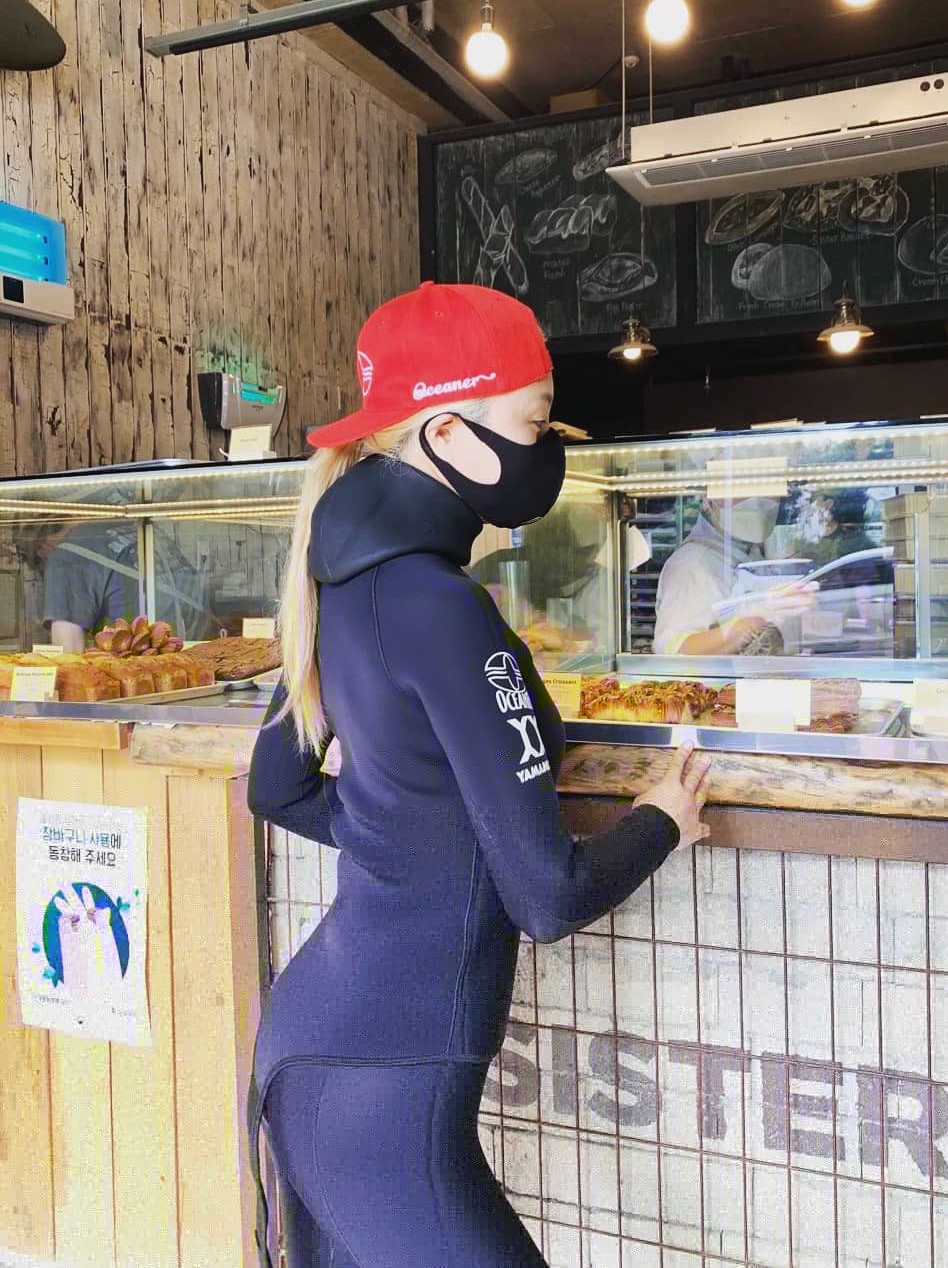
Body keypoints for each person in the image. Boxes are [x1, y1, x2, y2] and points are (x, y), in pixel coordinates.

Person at [244, 281, 713, 1268]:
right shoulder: (443, 608)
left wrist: (415, 836)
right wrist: (663, 818)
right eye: (535, 422)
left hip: (318, 1048)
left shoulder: (338, 582)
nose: (547, 446)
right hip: (382, 1099)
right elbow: (549, 894)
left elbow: (278, 787)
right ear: (449, 434)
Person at [653, 495, 813, 656]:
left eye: (768, 492)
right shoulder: (693, 564)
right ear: (707, 500)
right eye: (741, 492)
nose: (757, 503)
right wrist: (756, 619)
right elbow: (676, 649)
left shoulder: (745, 548)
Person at [35, 515, 216, 651]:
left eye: (32, 558)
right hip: (195, 657)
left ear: (42, 544)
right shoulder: (138, 528)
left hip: (138, 672)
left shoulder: (66, 556)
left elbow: (68, 651)